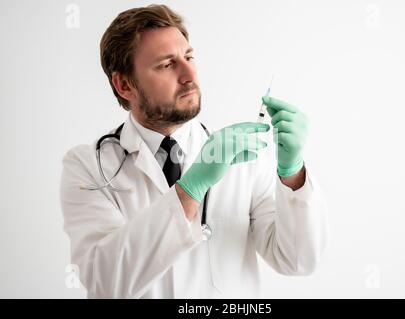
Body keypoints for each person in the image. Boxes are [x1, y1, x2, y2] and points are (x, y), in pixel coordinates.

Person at [60, 4, 329, 299]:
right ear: (125, 85)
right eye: (166, 64)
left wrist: (292, 174)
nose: (189, 74)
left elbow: (297, 261)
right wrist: (190, 190)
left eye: (189, 57)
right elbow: (105, 282)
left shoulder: (245, 158)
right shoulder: (88, 166)